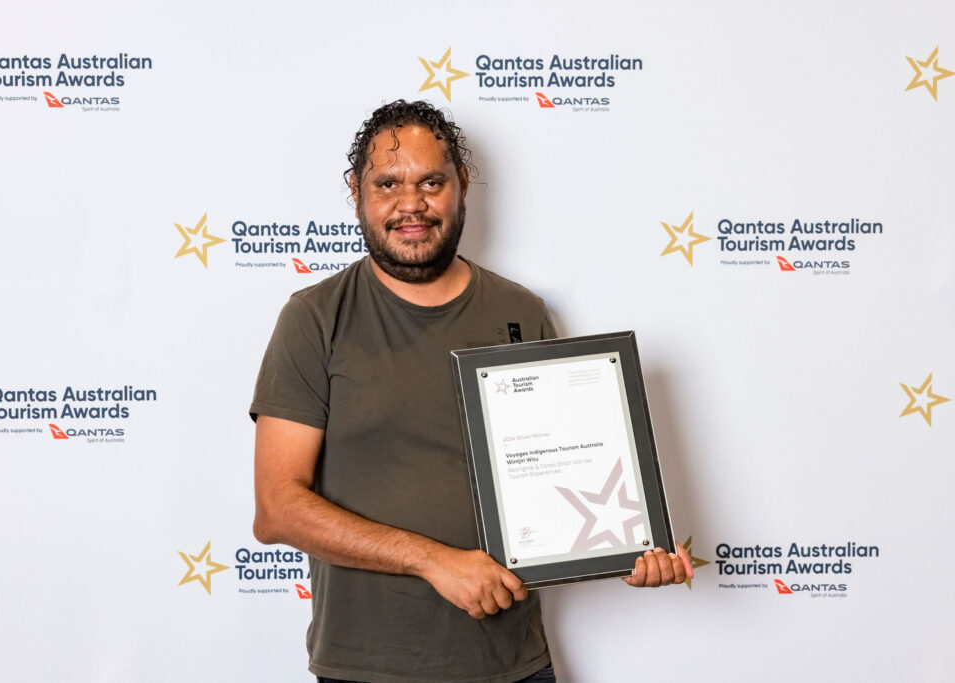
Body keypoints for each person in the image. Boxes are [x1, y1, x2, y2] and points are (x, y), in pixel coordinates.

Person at [250, 100, 692, 683]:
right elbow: (278, 510)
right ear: (357, 192)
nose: (411, 203)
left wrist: (627, 547)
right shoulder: (315, 317)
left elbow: (560, 476)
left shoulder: (521, 311)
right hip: (369, 667)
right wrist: (435, 562)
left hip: (512, 663)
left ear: (461, 185)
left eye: (431, 182)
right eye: (388, 184)